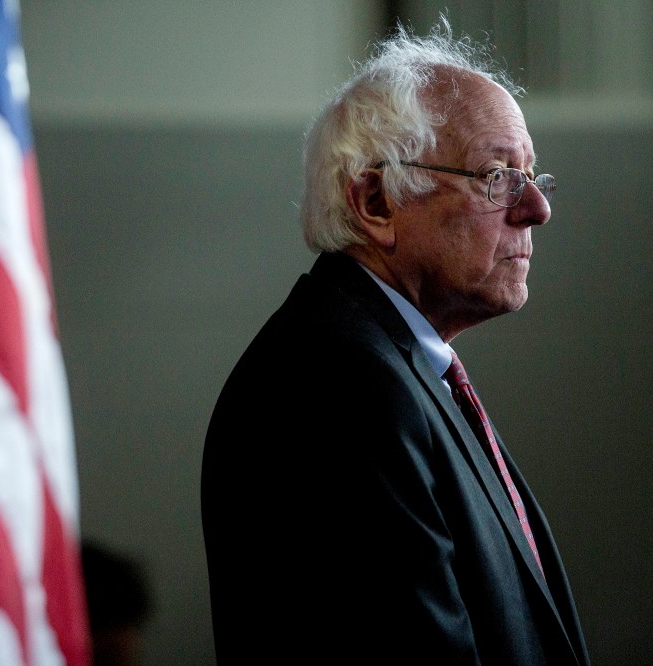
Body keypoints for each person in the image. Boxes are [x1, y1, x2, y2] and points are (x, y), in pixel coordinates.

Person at [201, 20, 590, 664]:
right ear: (376, 202)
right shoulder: (338, 386)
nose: (536, 209)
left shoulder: (386, 365)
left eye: (531, 177)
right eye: (497, 177)